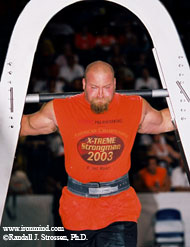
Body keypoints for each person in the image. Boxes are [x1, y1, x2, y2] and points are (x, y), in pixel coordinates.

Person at [20, 61, 174, 247]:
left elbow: (165, 121)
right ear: (84, 84)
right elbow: (23, 125)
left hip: (119, 209)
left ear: (115, 84)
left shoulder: (134, 106)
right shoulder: (61, 109)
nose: (100, 94)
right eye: (94, 87)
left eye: (106, 87)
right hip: (77, 210)